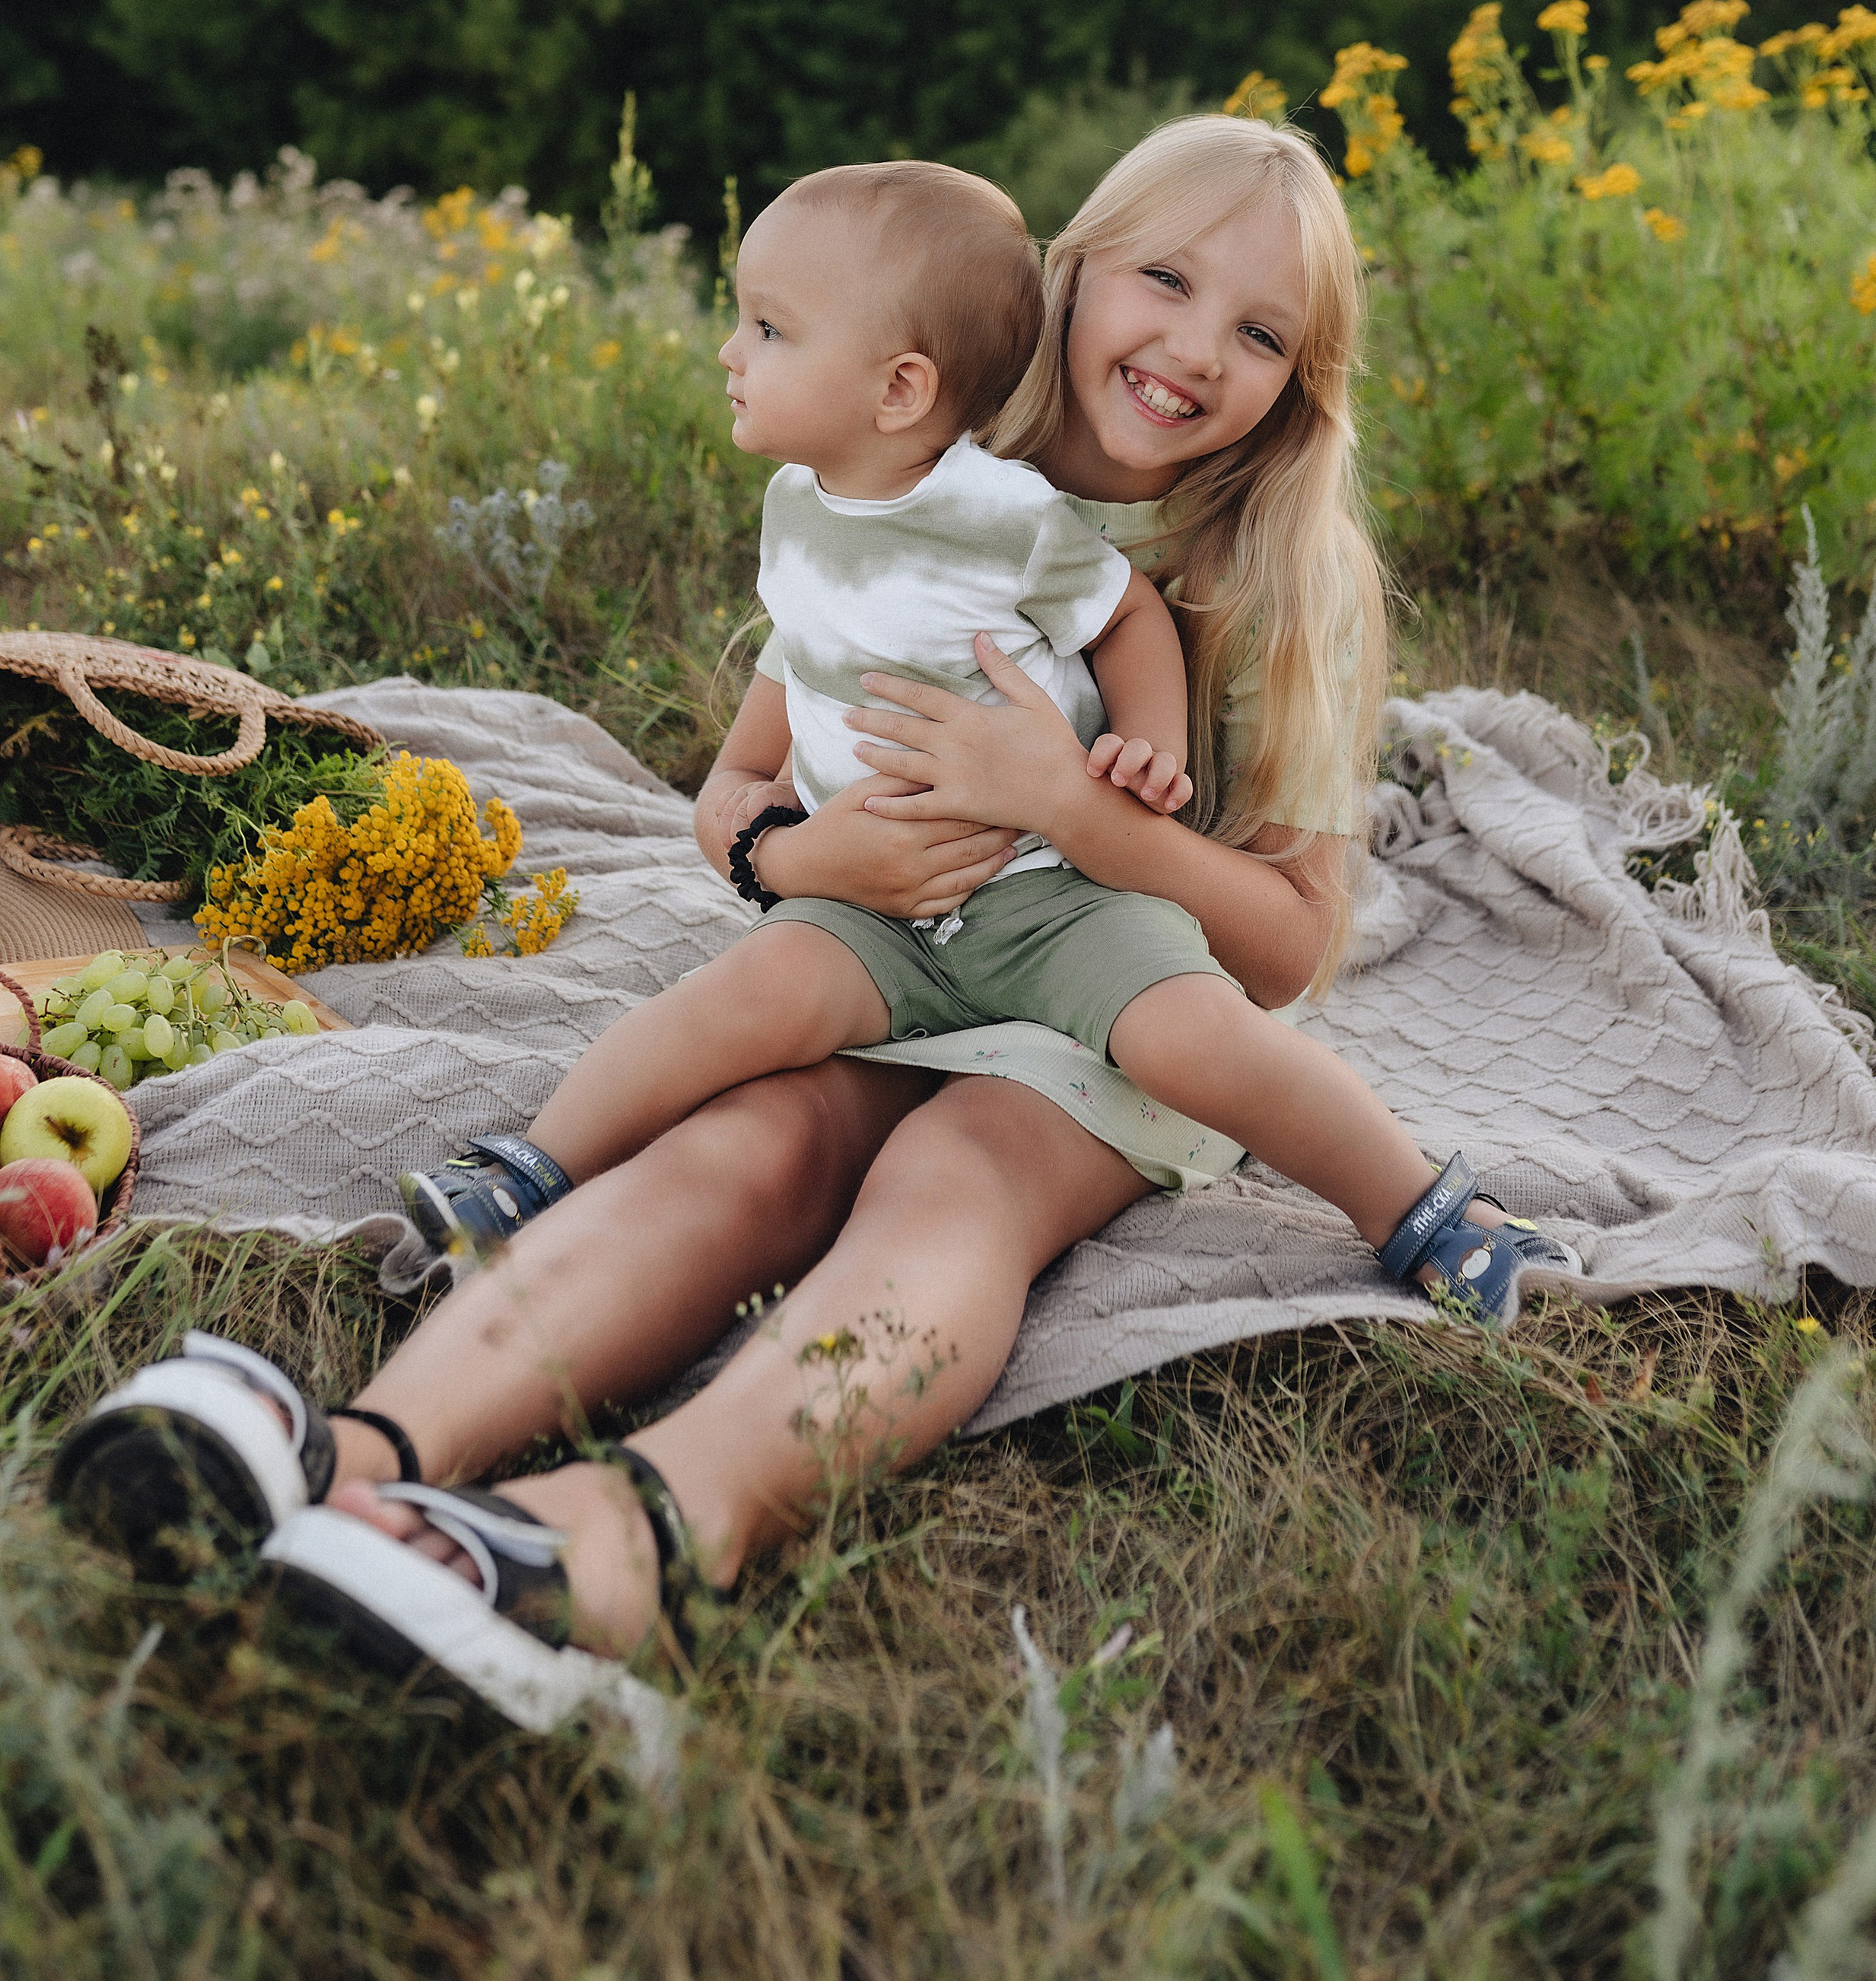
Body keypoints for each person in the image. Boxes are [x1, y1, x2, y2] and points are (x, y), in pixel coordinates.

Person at [53, 113, 1578, 1734]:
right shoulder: (904, 462)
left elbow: (1287, 949)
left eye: (1263, 333)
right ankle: (354, 1453)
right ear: (1067, 274)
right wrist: (799, 858)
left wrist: (1076, 809)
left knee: (953, 1179)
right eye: (1166, 280)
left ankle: (641, 1534)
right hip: (889, 947)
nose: (1198, 349)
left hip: (1112, 995)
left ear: (1303, 381)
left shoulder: (1278, 577)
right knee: (739, 1148)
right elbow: (734, 790)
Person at [396, 160, 1201, 1261]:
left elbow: (1129, 613)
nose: (731, 352)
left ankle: (1412, 1205)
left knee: (1183, 1028)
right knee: (730, 997)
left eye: (769, 329)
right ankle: (532, 1167)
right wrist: (802, 855)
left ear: (900, 390)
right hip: (864, 904)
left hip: (1027, 888)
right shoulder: (799, 506)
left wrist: (1148, 748)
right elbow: (741, 771)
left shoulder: (1000, 516)